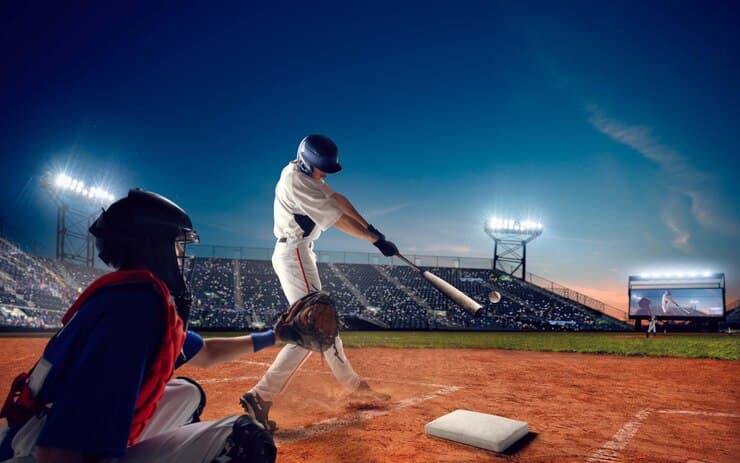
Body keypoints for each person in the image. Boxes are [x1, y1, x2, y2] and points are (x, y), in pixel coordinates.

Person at [0, 189, 277, 463]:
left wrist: (275, 336)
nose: (182, 255)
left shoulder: (132, 297)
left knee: (188, 394)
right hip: (38, 452)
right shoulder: (134, 308)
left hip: (31, 436)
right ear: (154, 245)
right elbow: (57, 449)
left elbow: (207, 353)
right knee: (247, 443)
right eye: (177, 245)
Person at [240, 134, 396, 432]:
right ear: (306, 162)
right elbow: (336, 218)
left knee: (322, 326)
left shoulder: (304, 173)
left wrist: (370, 227)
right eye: (321, 168)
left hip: (300, 253)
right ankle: (260, 394)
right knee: (312, 328)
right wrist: (375, 241)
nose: (324, 173)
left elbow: (338, 200)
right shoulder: (297, 181)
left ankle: (354, 386)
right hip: (294, 253)